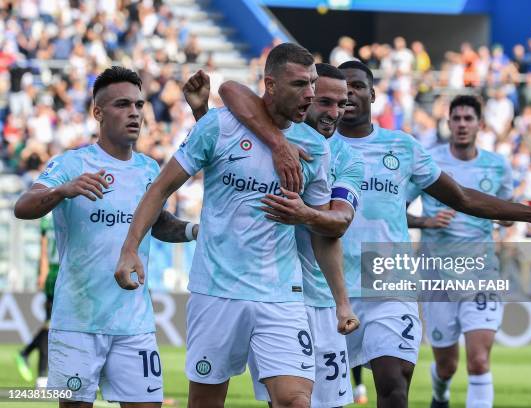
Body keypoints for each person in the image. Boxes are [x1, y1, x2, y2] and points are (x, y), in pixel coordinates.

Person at [114, 43, 348, 408]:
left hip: (281, 295)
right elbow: (161, 188)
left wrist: (342, 301)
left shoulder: (316, 147)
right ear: (270, 85)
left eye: (313, 84)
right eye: (300, 84)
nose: (310, 95)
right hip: (216, 291)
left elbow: (323, 234)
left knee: (295, 400)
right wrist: (129, 248)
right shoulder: (219, 126)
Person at [333, 60, 531, 407]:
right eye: (342, 88)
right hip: (330, 285)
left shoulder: (403, 147)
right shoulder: (316, 145)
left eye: (356, 85)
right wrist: (426, 223)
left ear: (373, 92)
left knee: (396, 383)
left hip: (390, 282)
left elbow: (462, 197)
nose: (349, 92)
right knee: (318, 395)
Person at [13, 66, 197, 407]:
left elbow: (157, 224)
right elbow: (23, 206)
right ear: (98, 112)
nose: (134, 113)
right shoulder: (71, 163)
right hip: (77, 322)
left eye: (139, 105)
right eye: (122, 104)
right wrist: (63, 191)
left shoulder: (149, 169)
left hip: (134, 323)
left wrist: (193, 230)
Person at [212, 62, 363, 407]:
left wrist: (304, 213)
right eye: (324, 101)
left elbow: (338, 223)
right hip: (271, 296)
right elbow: (229, 89)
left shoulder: (346, 159)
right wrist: (279, 142)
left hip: (319, 300)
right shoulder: (265, 132)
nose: (333, 113)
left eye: (341, 105)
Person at [407, 95, 513, 408]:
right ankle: (440, 392)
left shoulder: (498, 166)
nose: (462, 124)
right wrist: (426, 221)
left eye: (469, 119)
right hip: (437, 276)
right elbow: (394, 208)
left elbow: (507, 211)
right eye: (457, 119)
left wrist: (505, 214)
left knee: (479, 361)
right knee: (447, 365)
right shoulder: (430, 162)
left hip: (481, 272)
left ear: (480, 124)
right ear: (449, 122)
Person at [15, 213, 58, 388]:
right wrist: (43, 272)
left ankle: (26, 353)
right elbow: (44, 249)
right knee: (50, 325)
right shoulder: (49, 218)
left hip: (66, 273)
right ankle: (41, 374)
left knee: (53, 325)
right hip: (55, 275)